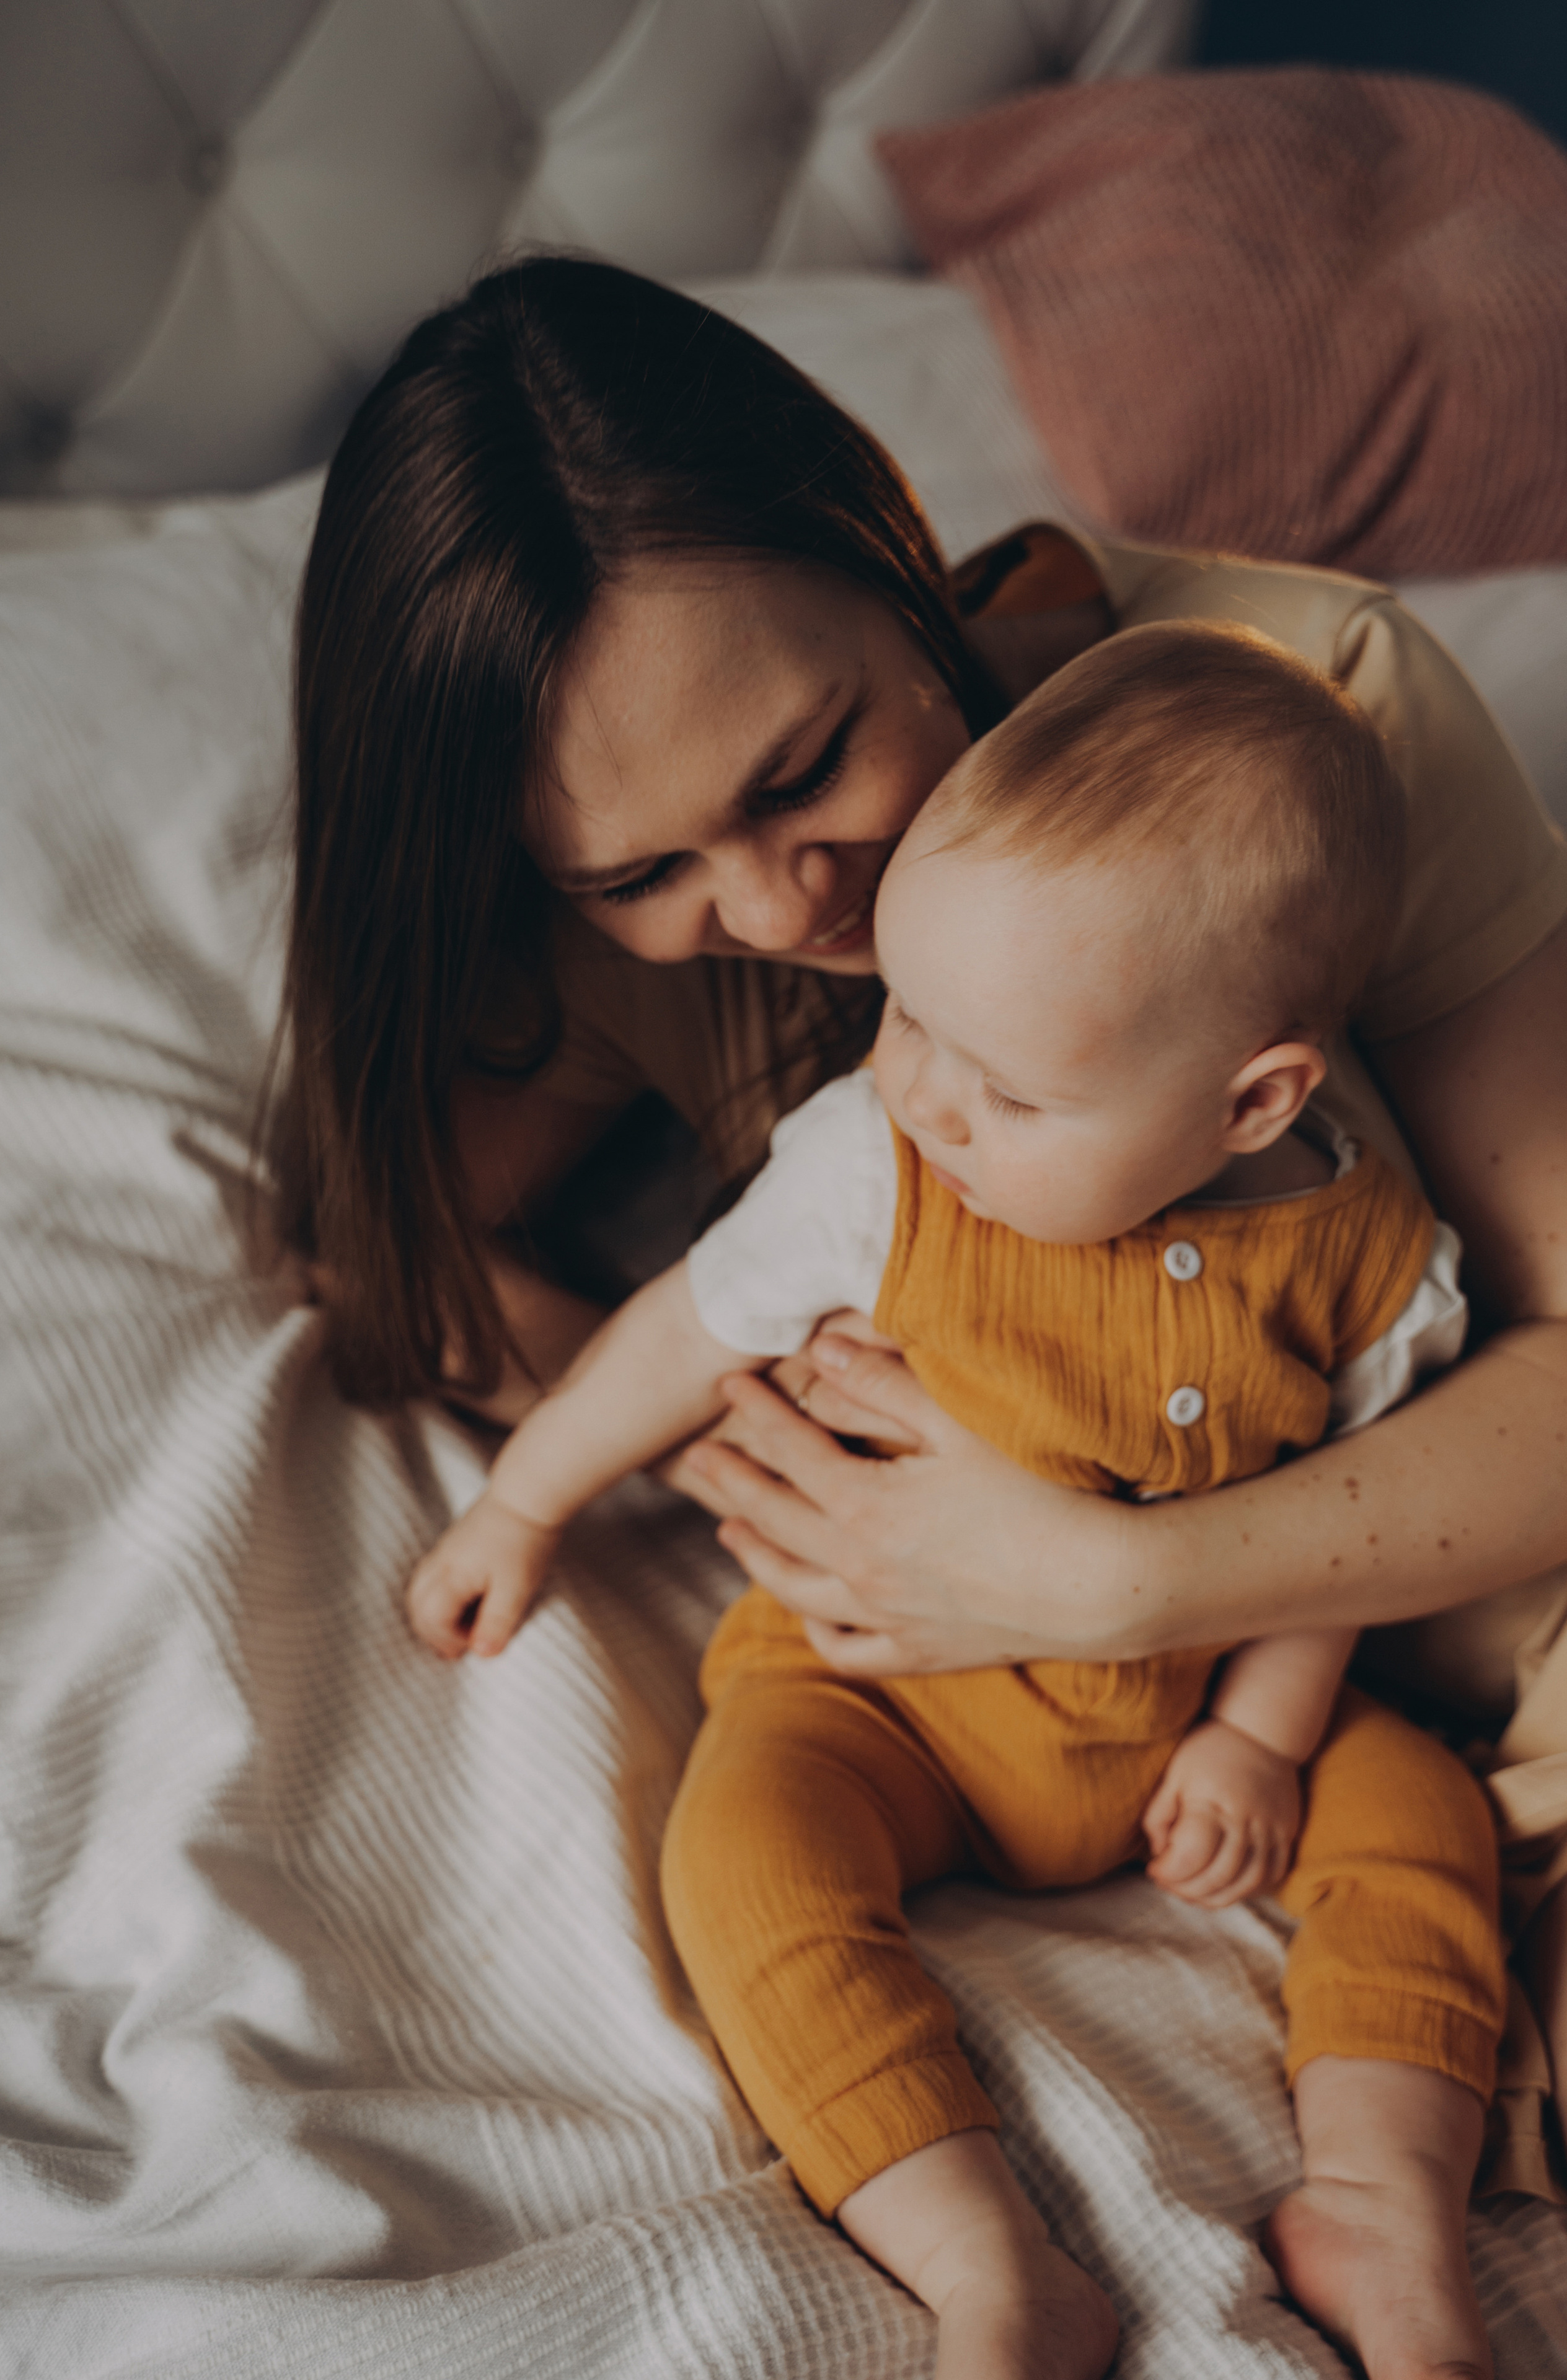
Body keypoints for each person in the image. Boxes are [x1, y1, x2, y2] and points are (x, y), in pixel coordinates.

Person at [276, 255, 1567, 2190]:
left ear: (890, 556)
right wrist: (772, 1447)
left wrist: (1100, 1580)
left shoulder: (1312, 713)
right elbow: (407, 1245)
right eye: (643, 871)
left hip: (1406, 1580)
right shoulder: (586, 935)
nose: (785, 904)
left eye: (803, 772)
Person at [404, 625, 1506, 2380]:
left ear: (1254, 1099)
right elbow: (681, 1332)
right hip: (886, 1695)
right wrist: (521, 1508)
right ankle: (982, 2253)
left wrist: (1263, 1739)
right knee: (745, 1852)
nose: (926, 1089)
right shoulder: (875, 1166)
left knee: (1422, 1826)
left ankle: (1382, 2198)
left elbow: (1336, 1527)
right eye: (912, 1015)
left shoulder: (1371, 1258)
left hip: (1187, 1702)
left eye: (1008, 1088)